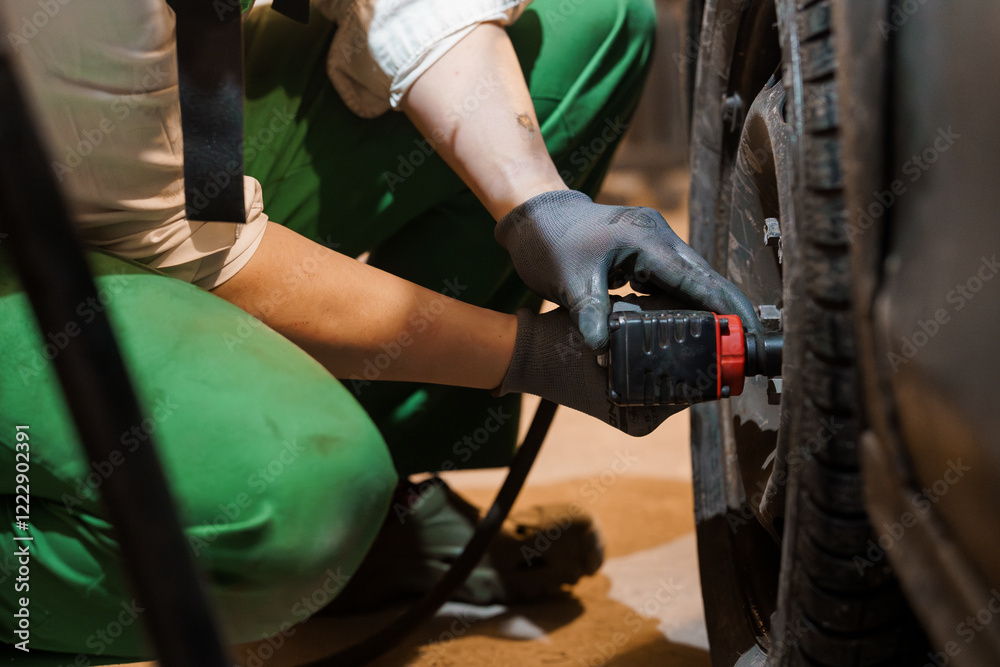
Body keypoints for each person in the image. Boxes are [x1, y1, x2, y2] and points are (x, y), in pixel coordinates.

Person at [0, 0, 756, 658]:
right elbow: (175, 240)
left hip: (132, 130)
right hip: (40, 217)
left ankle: (381, 508)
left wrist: (540, 204)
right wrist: (526, 354)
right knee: (294, 508)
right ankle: (31, 601)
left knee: (585, 28)